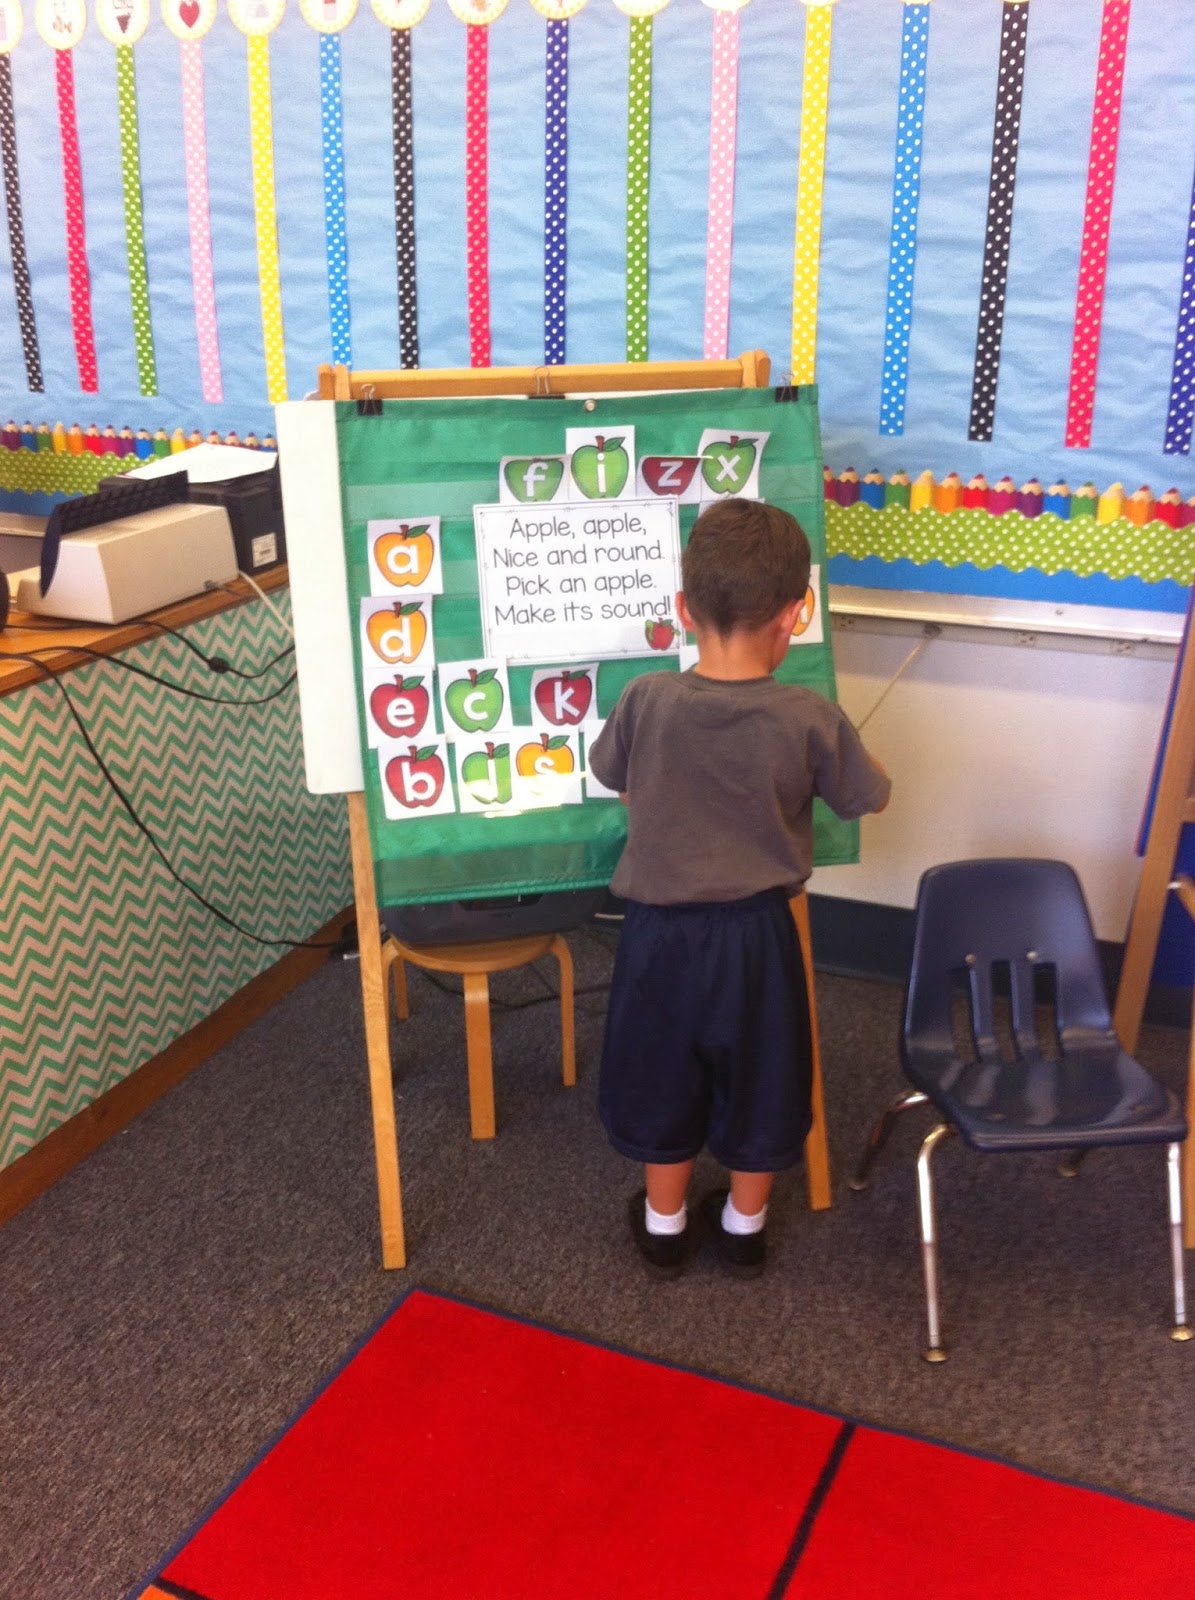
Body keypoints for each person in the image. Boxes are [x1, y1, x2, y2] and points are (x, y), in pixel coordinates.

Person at [588, 497, 890, 1279]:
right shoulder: (809, 716)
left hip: (657, 937)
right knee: (762, 1074)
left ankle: (663, 1224)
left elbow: (614, 776)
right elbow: (868, 797)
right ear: (796, 614)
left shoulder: (645, 697)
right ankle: (743, 1225)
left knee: (663, 1072)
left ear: (683, 609)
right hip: (757, 937)